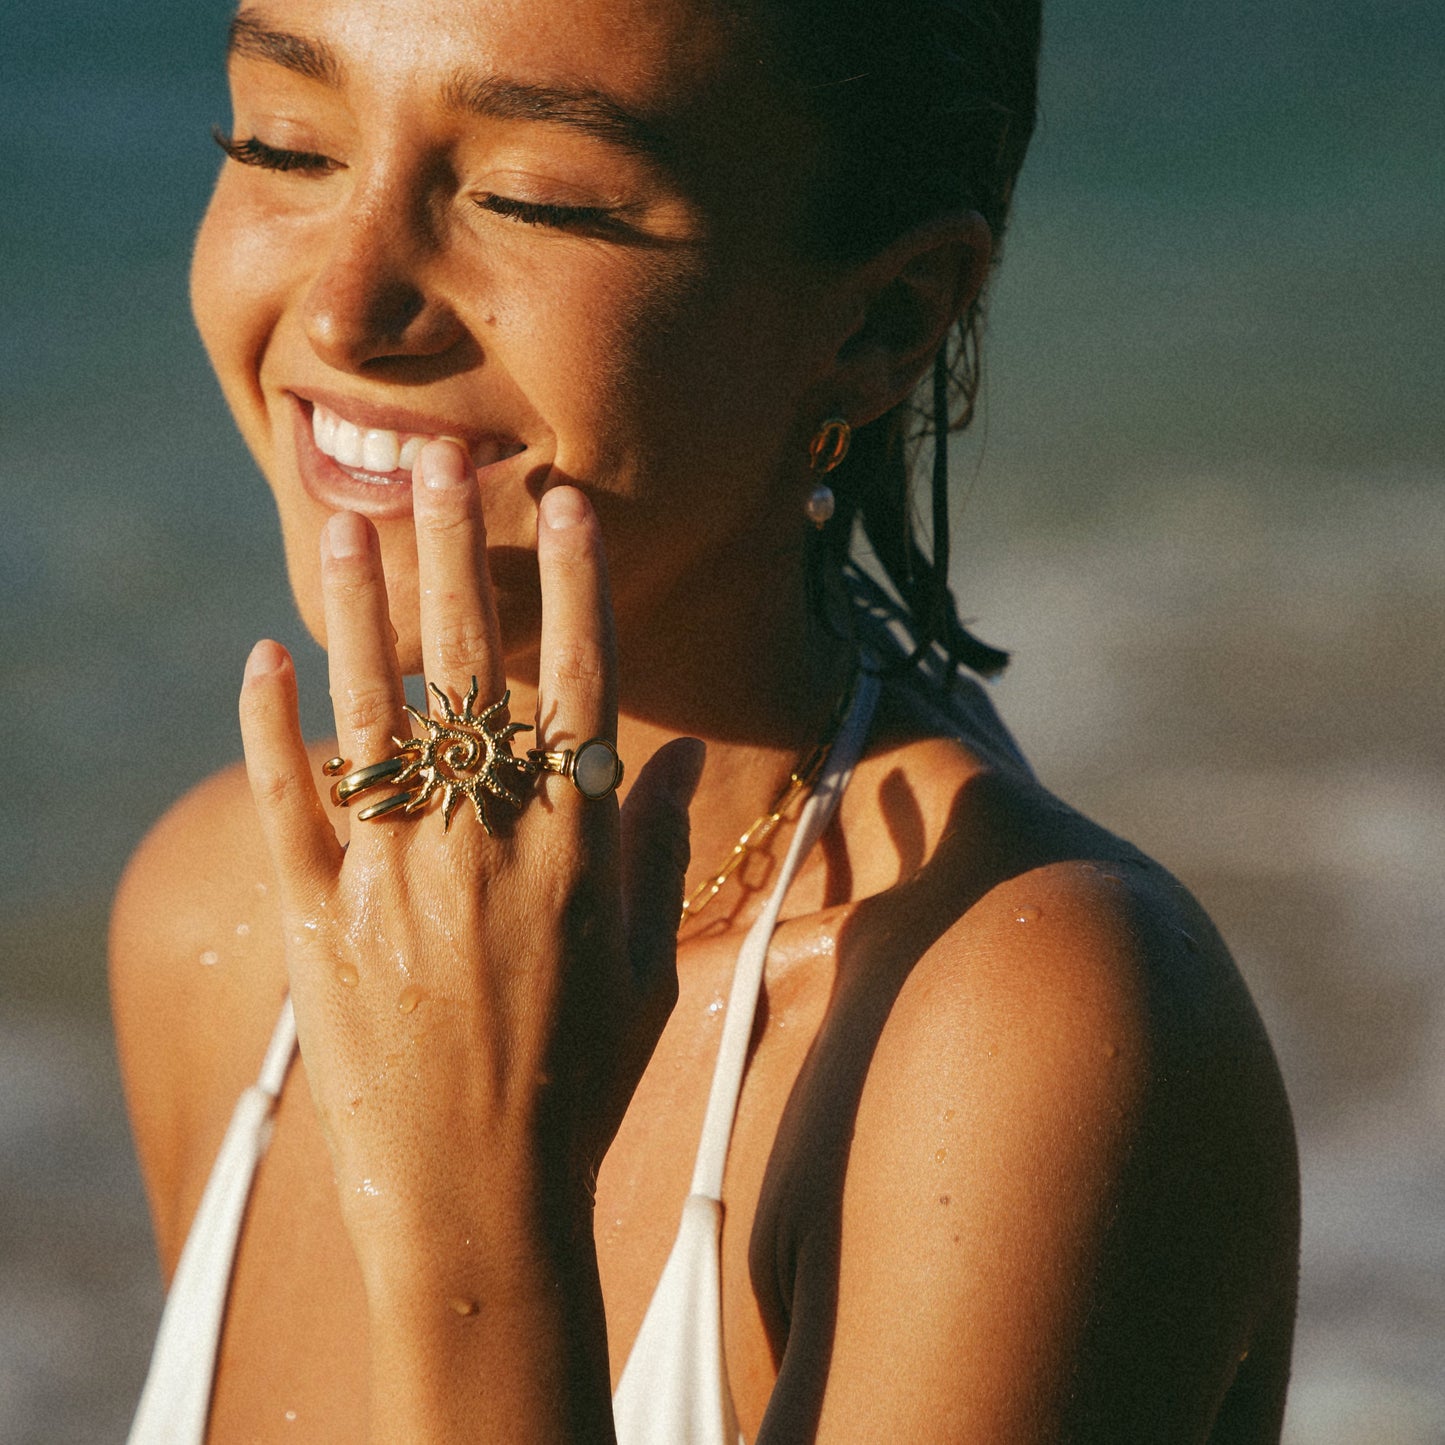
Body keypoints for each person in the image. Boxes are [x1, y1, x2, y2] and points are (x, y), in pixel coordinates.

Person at [109, 0, 1300, 1439]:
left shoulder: (1009, 1039)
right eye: (284, 145)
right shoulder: (223, 906)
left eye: (527, 195)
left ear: (882, 319)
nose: (347, 307)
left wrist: (479, 1253)